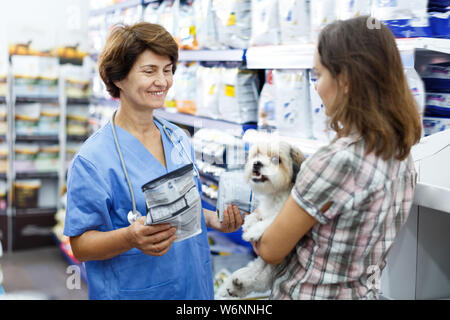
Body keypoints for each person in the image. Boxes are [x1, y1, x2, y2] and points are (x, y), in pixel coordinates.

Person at [64, 22, 243, 300]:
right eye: (150, 71)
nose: (162, 81)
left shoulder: (178, 139)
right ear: (119, 77)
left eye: (168, 70)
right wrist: (129, 238)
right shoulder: (93, 160)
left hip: (193, 288)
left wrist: (215, 220)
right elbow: (80, 245)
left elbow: (184, 208)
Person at [249, 16, 422, 299]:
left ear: (344, 81)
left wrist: (258, 216)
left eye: (319, 75)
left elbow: (270, 249)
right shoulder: (401, 153)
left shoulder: (334, 162)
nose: (316, 87)